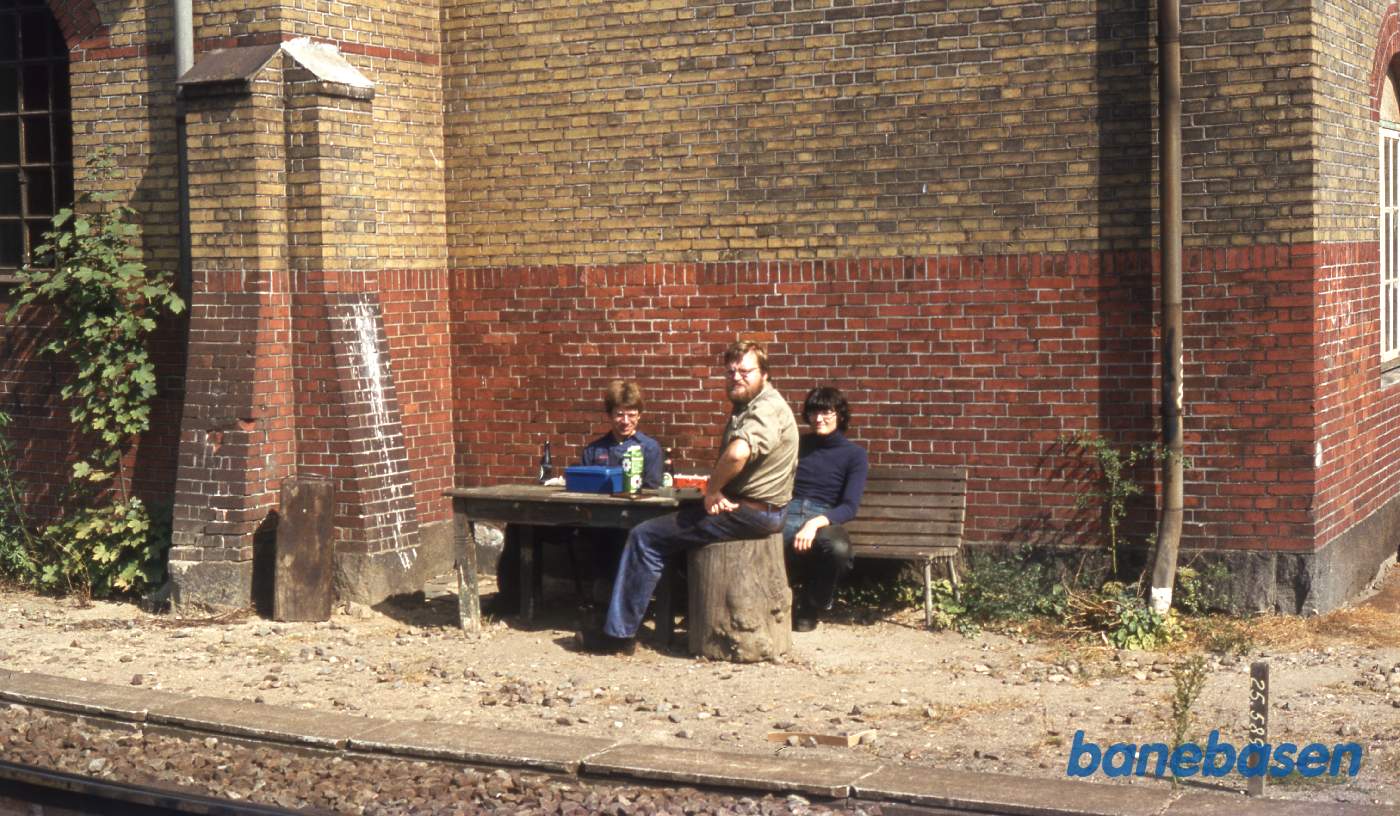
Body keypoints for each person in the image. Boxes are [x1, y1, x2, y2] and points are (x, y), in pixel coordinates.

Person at [578, 340, 799, 655]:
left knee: (645, 536)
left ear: (764, 373)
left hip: (752, 513)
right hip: (755, 509)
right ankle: (671, 613)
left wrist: (713, 491)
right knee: (671, 523)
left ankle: (617, 636)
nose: (736, 378)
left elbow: (737, 453)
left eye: (745, 371)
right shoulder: (756, 405)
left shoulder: (766, 408)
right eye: (731, 372)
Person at [488, 380, 664, 614]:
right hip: (588, 523)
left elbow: (653, 491)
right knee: (520, 526)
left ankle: (610, 604)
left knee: (616, 537)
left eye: (631, 415)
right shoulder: (594, 450)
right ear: (609, 415)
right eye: (619, 414)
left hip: (628, 523)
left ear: (640, 416)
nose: (625, 421)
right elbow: (581, 488)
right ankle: (512, 599)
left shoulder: (649, 449)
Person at [783, 386, 867, 632]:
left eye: (826, 412)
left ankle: (811, 604)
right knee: (761, 542)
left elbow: (850, 507)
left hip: (823, 515)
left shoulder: (854, 455)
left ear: (839, 415)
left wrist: (814, 523)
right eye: (813, 413)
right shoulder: (797, 445)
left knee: (838, 550)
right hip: (788, 508)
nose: (818, 419)